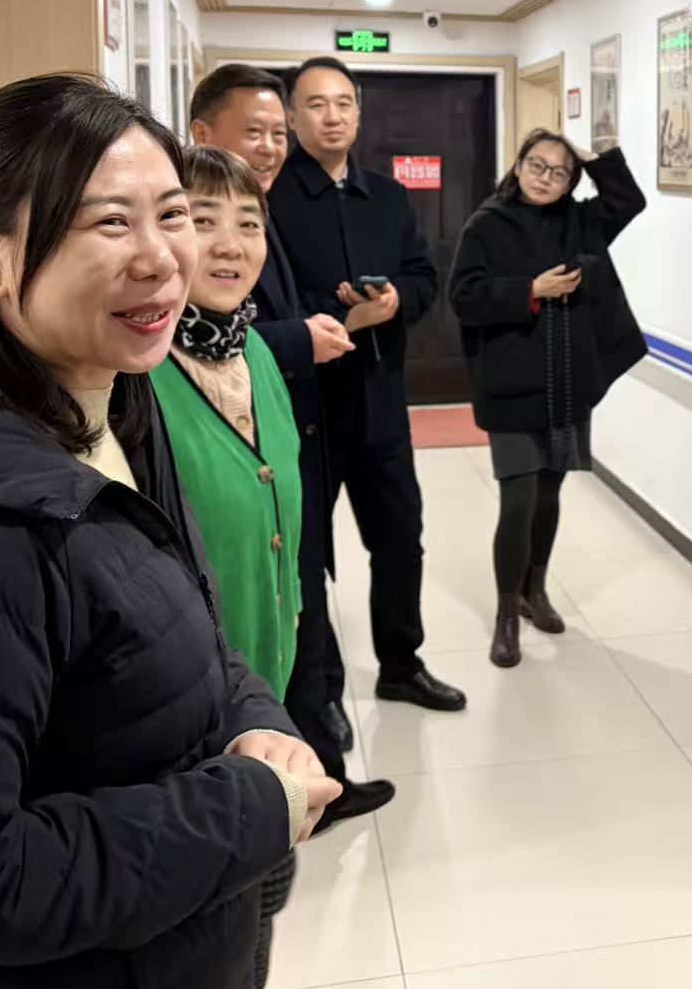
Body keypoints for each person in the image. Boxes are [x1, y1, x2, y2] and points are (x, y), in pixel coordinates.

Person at [0, 75, 341, 989]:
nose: (162, 257)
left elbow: (182, 622)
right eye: (109, 222)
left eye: (171, 214)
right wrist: (248, 810)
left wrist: (257, 720)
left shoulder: (118, 402)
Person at [190, 65, 391, 806]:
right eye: (257, 131)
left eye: (278, 132)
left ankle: (308, 776)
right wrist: (301, 338)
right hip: (219, 577)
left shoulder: (247, 335)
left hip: (304, 442)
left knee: (301, 605)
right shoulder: (153, 365)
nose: (272, 145)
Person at [269, 57, 465, 711]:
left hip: (380, 402)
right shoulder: (273, 199)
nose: (332, 116)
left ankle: (401, 665)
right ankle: (319, 689)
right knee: (306, 557)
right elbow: (270, 302)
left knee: (400, 539)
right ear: (293, 116)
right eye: (316, 104)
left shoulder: (386, 195)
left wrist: (394, 301)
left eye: (344, 103)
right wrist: (339, 310)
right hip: (303, 410)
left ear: (358, 113)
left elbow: (423, 276)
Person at [449, 130, 647, 667]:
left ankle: (535, 591)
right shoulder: (486, 224)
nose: (544, 178)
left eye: (559, 172)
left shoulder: (578, 220)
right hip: (510, 386)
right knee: (518, 500)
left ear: (570, 182)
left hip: (566, 384)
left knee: (550, 493)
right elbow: (463, 297)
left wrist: (592, 157)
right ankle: (506, 613)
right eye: (536, 165)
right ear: (517, 166)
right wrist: (531, 291)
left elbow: (629, 201)